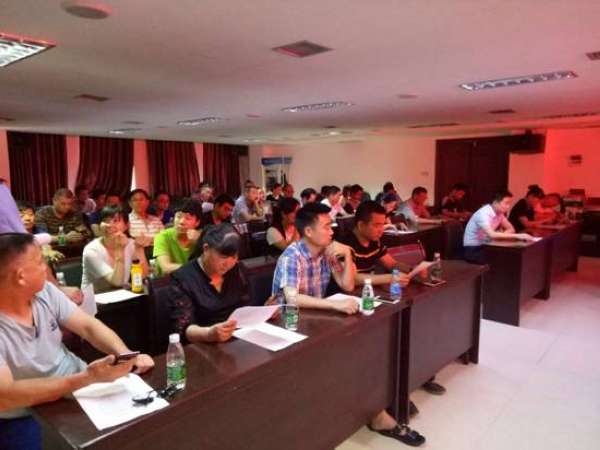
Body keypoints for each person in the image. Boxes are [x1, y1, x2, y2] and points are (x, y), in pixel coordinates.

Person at [271, 203, 425, 447]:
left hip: (316, 321)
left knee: (368, 345)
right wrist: (334, 306)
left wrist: (347, 255)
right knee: (352, 354)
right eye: (326, 227)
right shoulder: (292, 256)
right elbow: (291, 298)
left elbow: (346, 285)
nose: (332, 231)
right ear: (308, 231)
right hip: (290, 326)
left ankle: (381, 405)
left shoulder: (327, 253)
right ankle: (376, 412)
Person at [0, 233, 154, 450]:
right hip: (25, 410)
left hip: (78, 384)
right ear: (21, 277)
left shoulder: (45, 292)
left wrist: (126, 355)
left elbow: (88, 326)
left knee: (143, 426)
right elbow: (6, 395)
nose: (47, 268)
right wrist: (87, 378)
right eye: (40, 261)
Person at [339, 201, 445, 400]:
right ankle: (391, 393)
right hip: (350, 301)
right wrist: (389, 278)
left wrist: (413, 269)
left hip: (373, 295)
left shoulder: (374, 241)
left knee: (412, 325)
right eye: (377, 225)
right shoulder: (344, 245)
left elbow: (392, 263)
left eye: (383, 224)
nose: (382, 229)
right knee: (388, 339)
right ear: (361, 225)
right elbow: (353, 279)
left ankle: (418, 376)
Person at [169, 224, 277, 343]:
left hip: (239, 338)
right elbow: (183, 328)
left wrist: (263, 313)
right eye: (223, 256)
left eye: (234, 257)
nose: (228, 263)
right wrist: (208, 334)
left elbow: (243, 307)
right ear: (206, 249)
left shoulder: (236, 269)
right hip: (204, 344)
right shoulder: (183, 278)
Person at [82, 206, 148, 293]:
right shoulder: (91, 251)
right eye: (105, 221)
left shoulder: (131, 244)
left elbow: (142, 276)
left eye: (116, 221)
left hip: (123, 294)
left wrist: (139, 249)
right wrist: (119, 250)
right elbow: (117, 282)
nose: (109, 225)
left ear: (127, 225)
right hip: (96, 297)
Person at [463, 190, 536, 264]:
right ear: (495, 203)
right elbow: (492, 234)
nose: (508, 206)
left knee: (511, 256)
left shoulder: (499, 213)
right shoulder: (483, 213)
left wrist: (500, 235)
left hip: (487, 245)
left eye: (509, 204)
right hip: (473, 249)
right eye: (506, 203)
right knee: (505, 259)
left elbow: (511, 229)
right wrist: (519, 236)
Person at [153, 200, 202, 275]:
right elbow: (166, 267)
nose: (181, 222)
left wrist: (199, 242)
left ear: (197, 222)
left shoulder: (201, 238)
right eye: (178, 217)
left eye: (187, 218)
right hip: (167, 280)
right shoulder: (163, 236)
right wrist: (196, 269)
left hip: (192, 280)